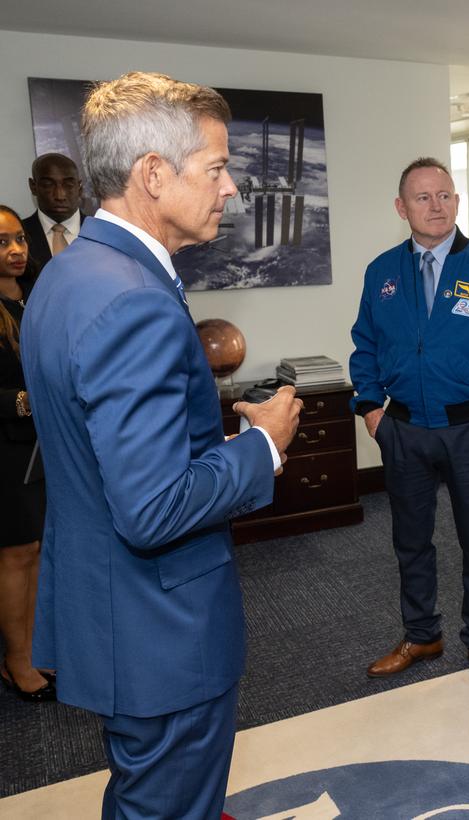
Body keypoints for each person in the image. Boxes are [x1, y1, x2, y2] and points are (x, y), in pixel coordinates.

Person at [21, 72, 301, 818]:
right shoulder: (134, 300)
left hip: (107, 607)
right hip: (159, 628)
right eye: (215, 167)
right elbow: (151, 507)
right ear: (153, 173)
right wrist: (261, 445)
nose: (232, 188)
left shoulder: (68, 275)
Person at [350, 157, 469, 689]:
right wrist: (371, 411)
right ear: (401, 207)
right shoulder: (381, 272)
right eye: (424, 198)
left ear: (458, 200)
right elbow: (364, 346)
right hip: (404, 431)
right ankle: (420, 633)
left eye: (446, 195)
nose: (437, 206)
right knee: (410, 539)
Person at [0, 205, 53, 703]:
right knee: (16, 555)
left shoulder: (34, 293)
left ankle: (34, 649)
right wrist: (26, 399)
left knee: (38, 550)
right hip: (5, 453)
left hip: (41, 447)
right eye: (2, 243)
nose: (16, 250)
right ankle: (15, 661)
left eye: (19, 239)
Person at [21, 153, 83, 289]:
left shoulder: (103, 235)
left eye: (68, 185)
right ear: (33, 186)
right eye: (48, 185)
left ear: (80, 187)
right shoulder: (18, 237)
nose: (60, 195)